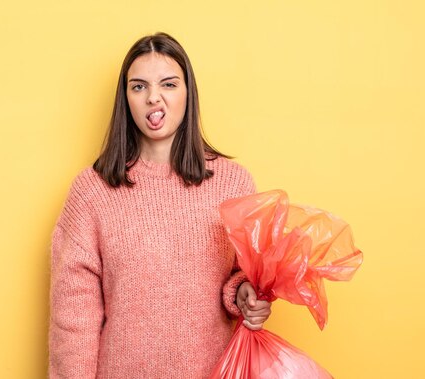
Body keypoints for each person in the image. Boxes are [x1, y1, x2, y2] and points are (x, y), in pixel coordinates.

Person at [48, 32, 272, 378]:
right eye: (139, 87)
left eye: (168, 84)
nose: (154, 98)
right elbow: (73, 321)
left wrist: (244, 295)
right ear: (125, 99)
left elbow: (241, 277)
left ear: (188, 93)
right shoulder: (91, 192)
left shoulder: (233, 184)